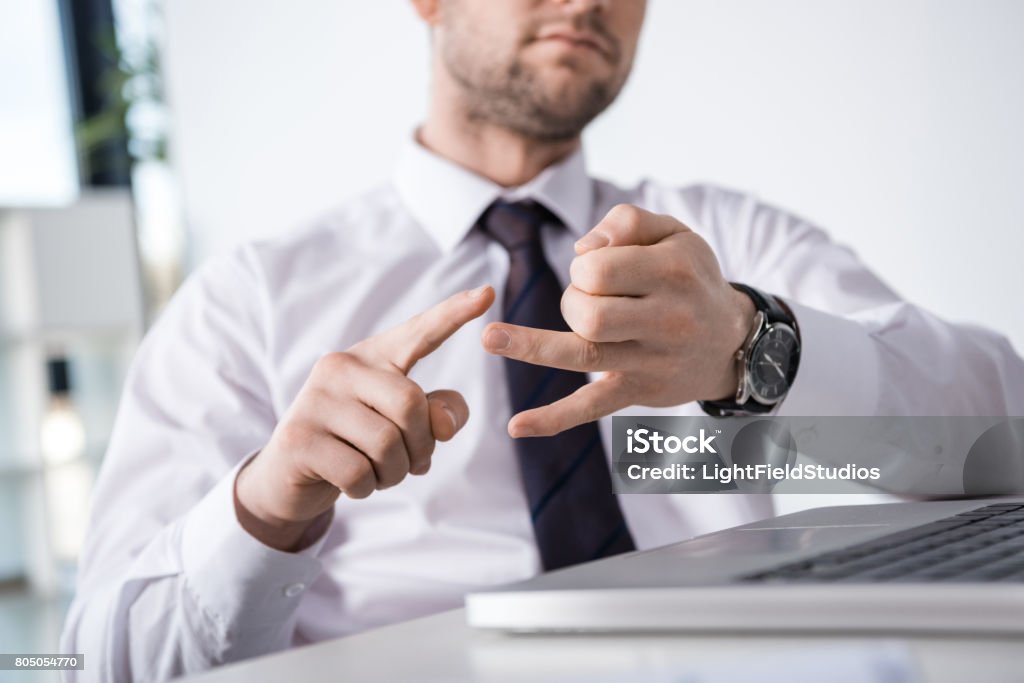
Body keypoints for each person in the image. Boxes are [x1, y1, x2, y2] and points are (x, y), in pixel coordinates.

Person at [62, 0, 1024, 680]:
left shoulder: (727, 245)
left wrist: (752, 346)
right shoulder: (248, 302)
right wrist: (264, 511)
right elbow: (97, 663)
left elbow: (1000, 443)